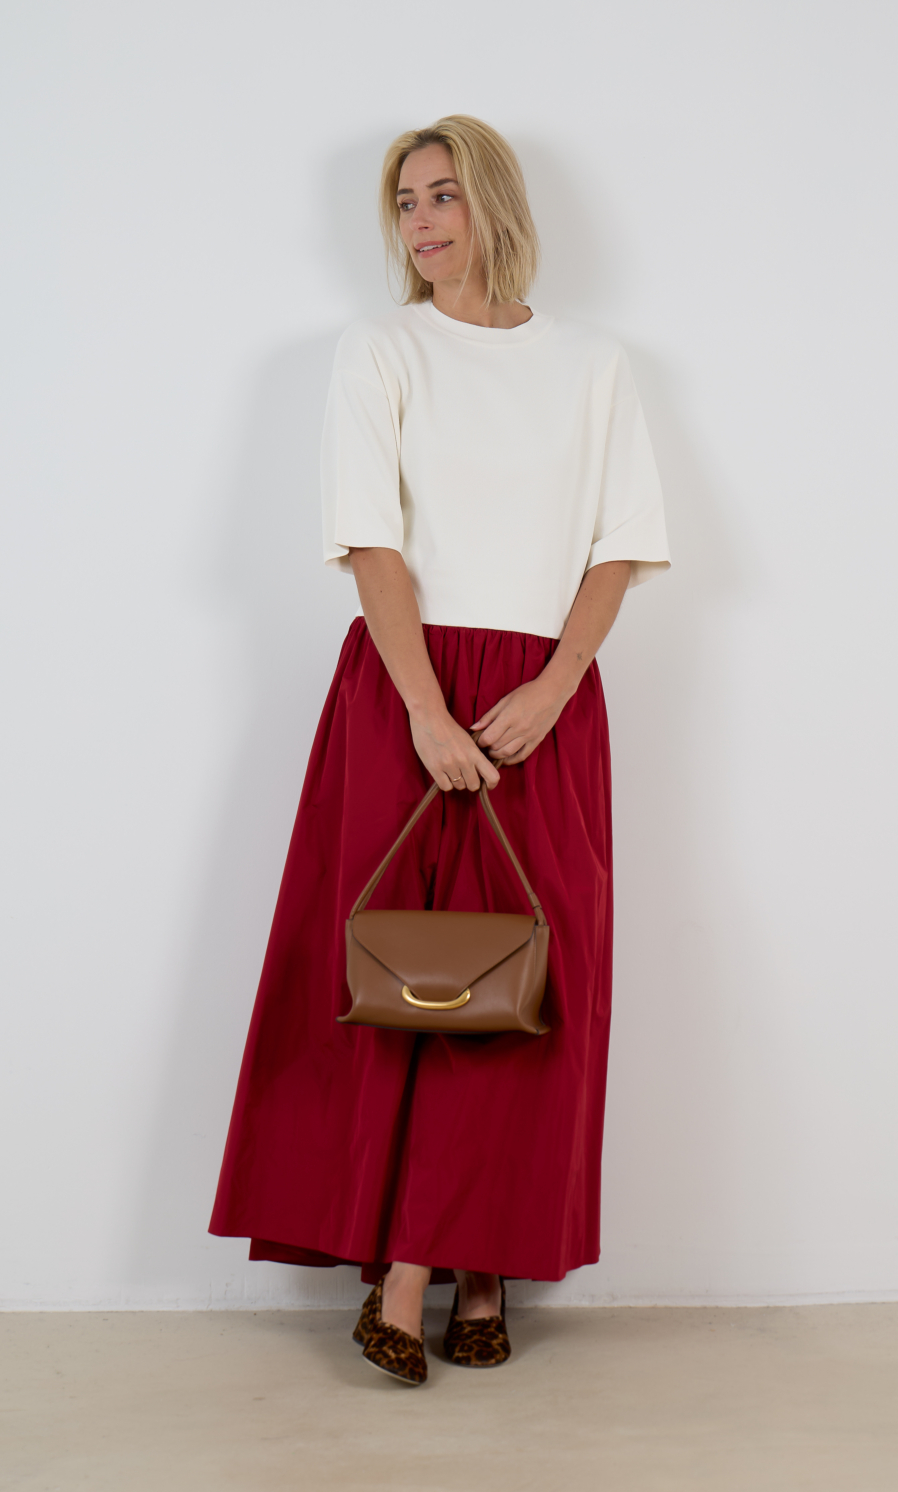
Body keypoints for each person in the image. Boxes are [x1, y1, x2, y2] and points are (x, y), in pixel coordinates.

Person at [209, 114, 670, 1385]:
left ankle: (476, 1265)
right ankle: (420, 1271)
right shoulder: (381, 348)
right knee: (402, 978)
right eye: (405, 201)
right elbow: (371, 541)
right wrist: (423, 709)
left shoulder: (595, 363)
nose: (421, 220)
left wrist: (554, 686)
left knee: (521, 993)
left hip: (540, 703)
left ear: (494, 204)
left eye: (443, 195)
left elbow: (621, 544)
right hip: (404, 684)